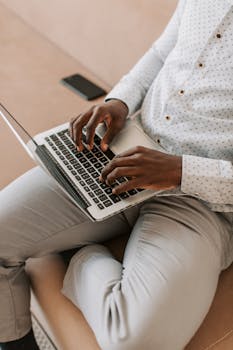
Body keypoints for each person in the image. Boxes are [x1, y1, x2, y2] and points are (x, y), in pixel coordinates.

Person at [1, 0, 233, 348]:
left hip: (202, 202)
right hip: (122, 150)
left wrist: (180, 171)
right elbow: (161, 53)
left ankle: (80, 257)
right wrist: (118, 102)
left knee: (135, 342)